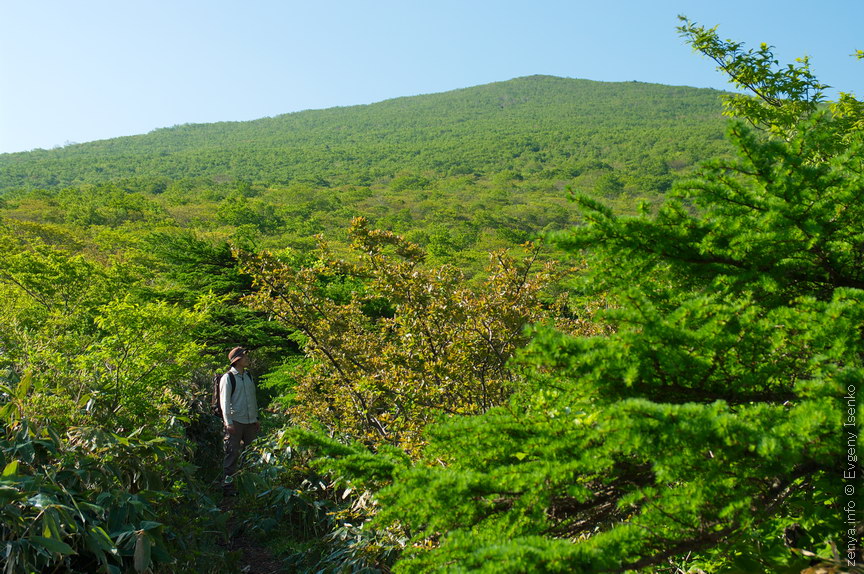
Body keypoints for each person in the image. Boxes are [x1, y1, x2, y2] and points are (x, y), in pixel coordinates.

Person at [220, 346, 259, 496]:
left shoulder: (248, 376)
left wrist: (256, 419)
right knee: (232, 455)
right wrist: (228, 422)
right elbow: (224, 402)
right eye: (244, 356)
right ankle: (228, 488)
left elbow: (252, 399)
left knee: (251, 455)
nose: (247, 358)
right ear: (237, 360)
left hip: (250, 422)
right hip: (235, 422)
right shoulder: (228, 378)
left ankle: (248, 487)